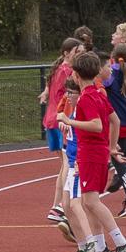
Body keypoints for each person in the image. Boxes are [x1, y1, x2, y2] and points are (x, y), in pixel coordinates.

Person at [56, 50, 126, 252]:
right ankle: (101, 249)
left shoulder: (86, 99)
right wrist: (111, 147)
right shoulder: (99, 95)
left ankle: (122, 242)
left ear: (75, 75)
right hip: (96, 152)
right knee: (85, 202)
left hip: (90, 153)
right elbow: (115, 120)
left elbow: (97, 125)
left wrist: (68, 121)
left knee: (91, 202)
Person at [42, 38, 83, 225]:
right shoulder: (67, 72)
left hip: (54, 119)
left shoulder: (60, 70)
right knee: (68, 163)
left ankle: (57, 205)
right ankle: (60, 205)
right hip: (61, 121)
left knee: (64, 165)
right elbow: (64, 97)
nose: (80, 55)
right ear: (66, 53)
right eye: (77, 51)